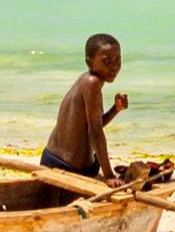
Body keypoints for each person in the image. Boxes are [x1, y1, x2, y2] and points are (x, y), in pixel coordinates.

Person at [42, 32, 128, 180]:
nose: (114, 66)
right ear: (89, 62)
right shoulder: (92, 83)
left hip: (52, 158)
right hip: (70, 169)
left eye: (117, 60)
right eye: (106, 61)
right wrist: (109, 175)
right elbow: (95, 132)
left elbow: (89, 125)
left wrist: (115, 110)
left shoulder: (85, 79)